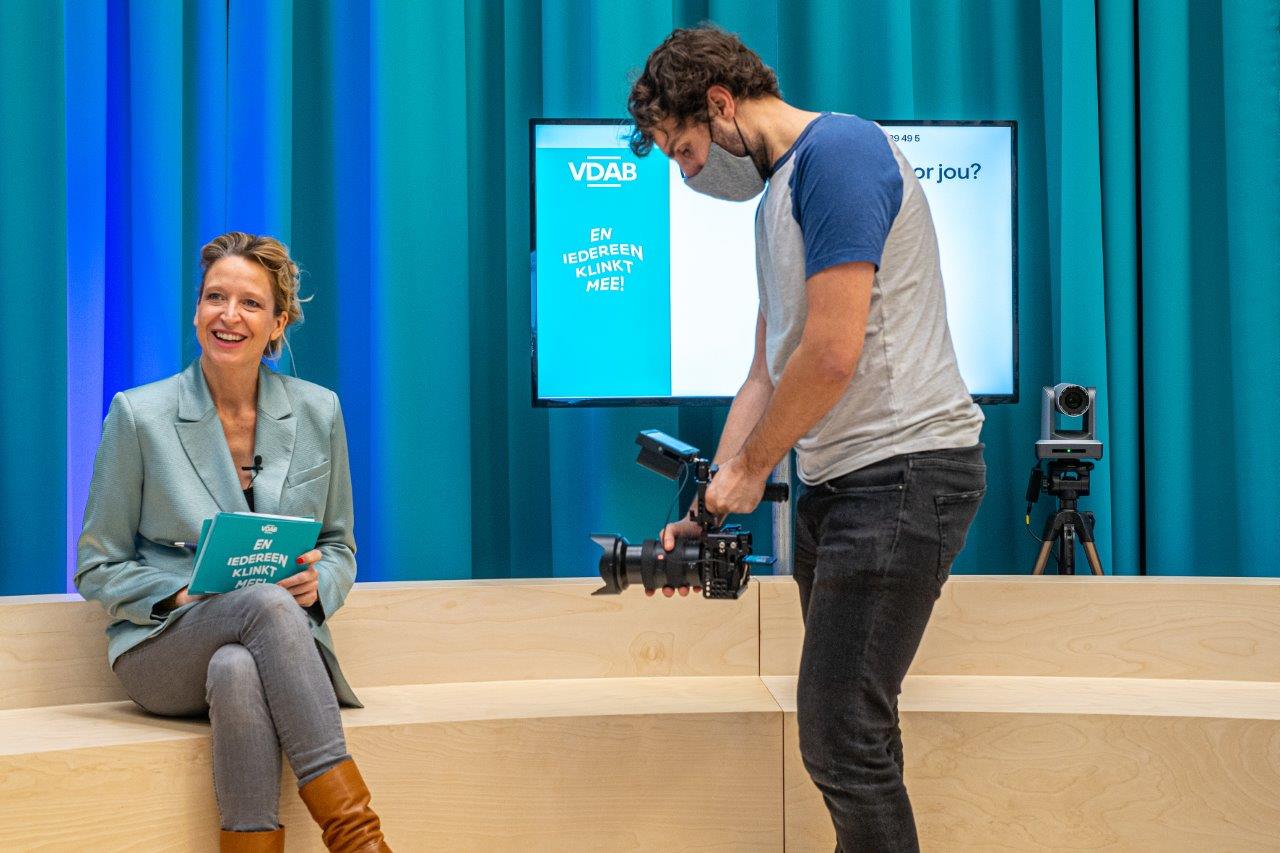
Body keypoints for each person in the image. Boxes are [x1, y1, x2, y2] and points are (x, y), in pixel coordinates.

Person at [630, 26, 987, 852]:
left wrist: (754, 468)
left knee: (839, 736)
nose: (689, 175)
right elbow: (766, 373)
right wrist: (707, 506)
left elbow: (831, 354)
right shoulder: (776, 201)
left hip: (905, 470)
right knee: (855, 732)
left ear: (721, 104)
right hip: (843, 482)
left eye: (685, 152)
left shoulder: (841, 154)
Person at [77, 232, 391, 852]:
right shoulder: (139, 415)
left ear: (278, 324)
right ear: (197, 311)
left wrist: (318, 584)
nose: (229, 315)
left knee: (238, 667)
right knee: (264, 604)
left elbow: (339, 545)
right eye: (215, 297)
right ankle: (359, 840)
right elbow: (97, 565)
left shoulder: (319, 411)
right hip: (163, 649)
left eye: (250, 303)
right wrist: (182, 594)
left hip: (268, 648)